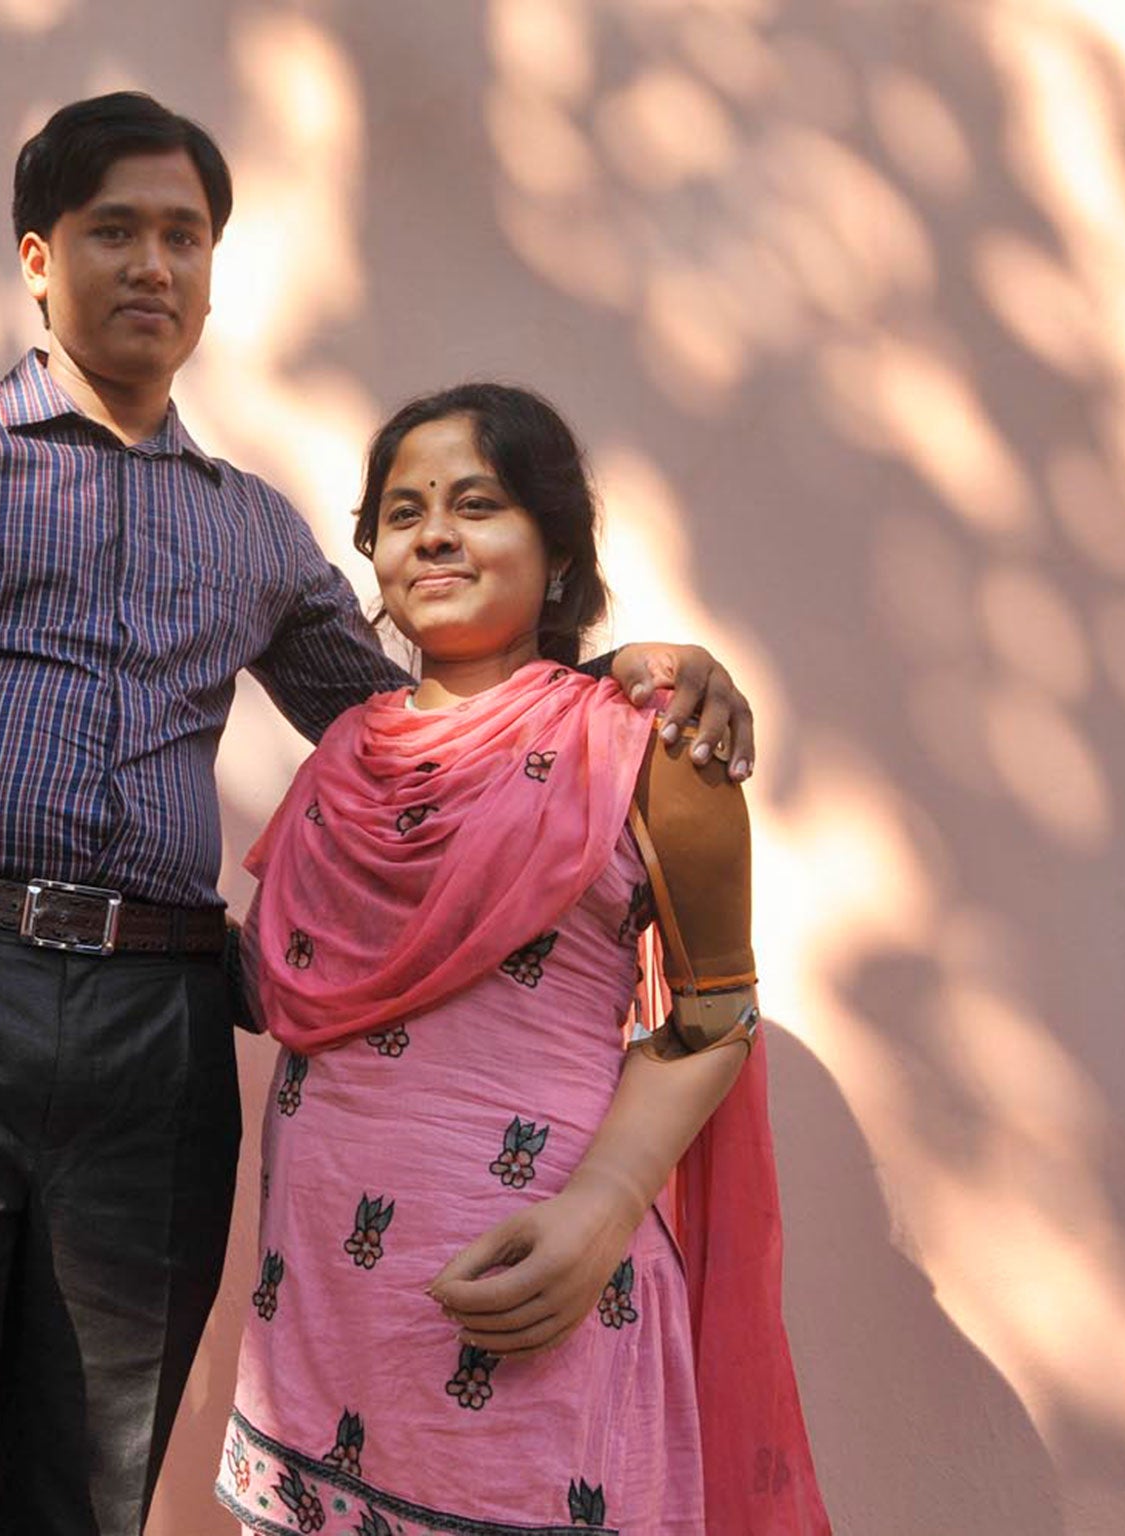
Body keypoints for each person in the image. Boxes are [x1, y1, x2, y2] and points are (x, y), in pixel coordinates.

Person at [0, 93, 757, 1536]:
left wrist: (618, 675)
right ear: (36, 255)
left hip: (158, 1030)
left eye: (183, 236)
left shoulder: (255, 527)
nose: (152, 265)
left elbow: (423, 736)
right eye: (112, 231)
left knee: (88, 1478)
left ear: (213, 266)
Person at [218, 385, 826, 1534]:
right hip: (318, 1325)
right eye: (402, 513)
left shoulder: (649, 749)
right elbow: (280, 983)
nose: (433, 533)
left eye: (476, 503)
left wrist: (599, 1211)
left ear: (556, 557)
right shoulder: (341, 761)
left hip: (535, 1294)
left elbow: (712, 1016)